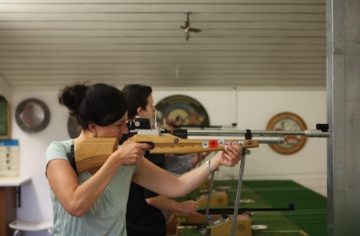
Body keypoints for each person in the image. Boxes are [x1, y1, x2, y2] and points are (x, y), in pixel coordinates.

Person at [45, 82, 243, 236]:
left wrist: (217, 160)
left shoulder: (126, 155)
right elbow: (75, 205)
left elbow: (177, 186)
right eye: (118, 124)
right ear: (93, 127)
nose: (125, 130)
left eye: (126, 122)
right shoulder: (59, 152)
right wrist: (116, 160)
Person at [123, 84, 205, 235]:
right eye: (151, 105)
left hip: (124, 226)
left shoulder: (120, 140)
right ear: (140, 111)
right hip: (146, 227)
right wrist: (180, 207)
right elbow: (151, 197)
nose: (154, 109)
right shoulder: (149, 142)